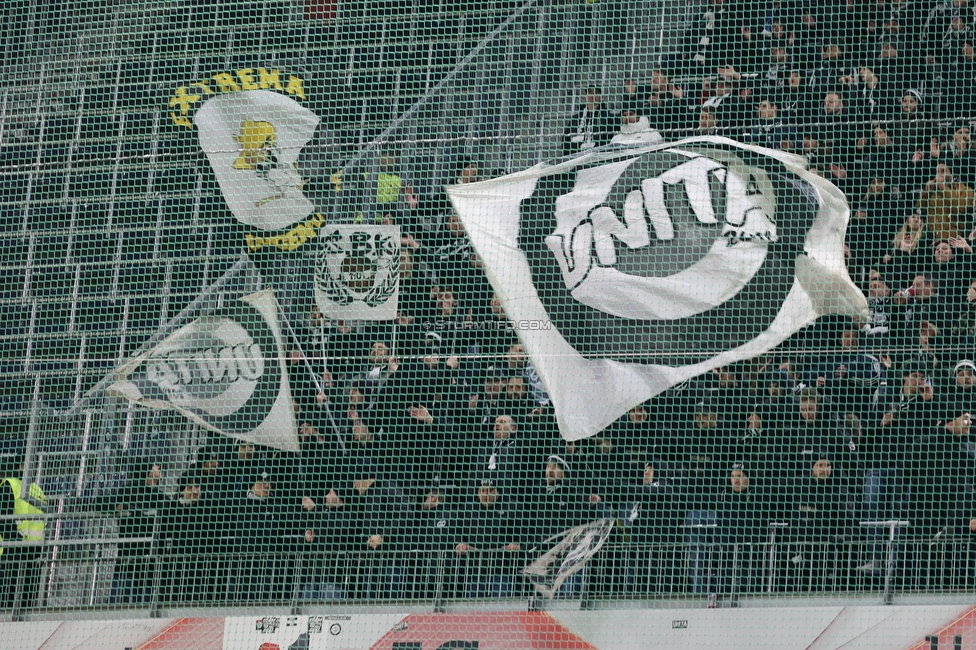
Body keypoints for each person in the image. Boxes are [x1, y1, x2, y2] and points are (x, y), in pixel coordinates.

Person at [0, 455, 48, 609]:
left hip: (12, 553)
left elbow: (4, 521)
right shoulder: (37, 490)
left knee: (7, 603)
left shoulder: (10, 485)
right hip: (31, 553)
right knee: (25, 603)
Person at [562, 86, 615, 155]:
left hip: (598, 159)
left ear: (601, 97)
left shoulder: (608, 118)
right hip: (577, 160)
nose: (592, 95)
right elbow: (566, 140)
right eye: (590, 92)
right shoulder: (576, 119)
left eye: (596, 93)